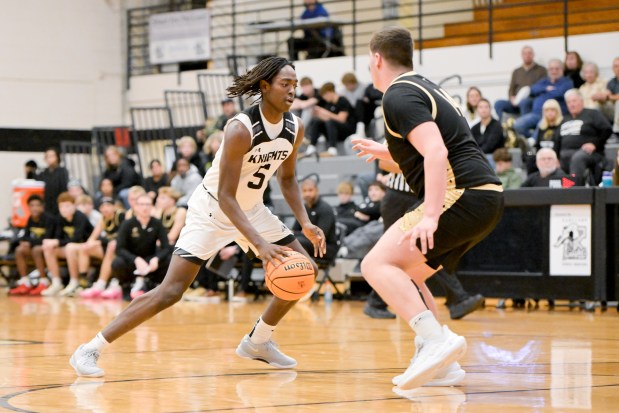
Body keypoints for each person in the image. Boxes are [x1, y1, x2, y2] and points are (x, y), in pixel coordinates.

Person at [70, 56, 326, 377]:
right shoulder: (240, 129)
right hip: (212, 210)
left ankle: (258, 341)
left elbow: (287, 179)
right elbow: (226, 197)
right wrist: (259, 244)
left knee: (305, 271)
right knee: (170, 292)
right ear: (264, 87)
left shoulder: (294, 127)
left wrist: (305, 222)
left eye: (295, 85)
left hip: (252, 210)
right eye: (284, 85)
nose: (292, 91)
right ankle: (90, 348)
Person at [352, 27, 503, 390]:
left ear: (376, 59)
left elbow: (437, 152)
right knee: (410, 274)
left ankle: (436, 342)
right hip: (485, 196)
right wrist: (386, 151)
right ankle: (442, 365)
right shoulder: (427, 87)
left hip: (462, 194)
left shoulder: (397, 95)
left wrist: (432, 215)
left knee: (374, 264)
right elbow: (429, 148)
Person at [111, 194, 172, 300]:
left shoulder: (157, 223)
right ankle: (126, 288)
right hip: (132, 261)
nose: (145, 207)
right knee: (117, 263)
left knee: (169, 259)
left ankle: (154, 285)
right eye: (142, 204)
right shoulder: (127, 224)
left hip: (150, 261)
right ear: (135, 207)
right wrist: (135, 259)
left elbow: (166, 247)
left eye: (148, 204)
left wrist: (156, 259)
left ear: (152, 207)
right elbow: (119, 249)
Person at [39, 192, 94, 297]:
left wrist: (57, 242)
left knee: (70, 247)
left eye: (67, 206)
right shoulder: (60, 218)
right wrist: (53, 243)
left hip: (85, 247)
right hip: (71, 249)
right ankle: (56, 282)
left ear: (74, 206)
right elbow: (59, 237)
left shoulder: (80, 217)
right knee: (48, 248)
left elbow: (77, 238)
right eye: (61, 206)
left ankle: (74, 281)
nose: (64, 209)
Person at [555, 89, 612, 185]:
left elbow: (607, 130)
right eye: (569, 102)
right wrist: (554, 156)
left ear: (582, 101)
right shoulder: (564, 119)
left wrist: (594, 144)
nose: (571, 104)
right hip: (565, 154)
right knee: (549, 160)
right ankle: (559, 194)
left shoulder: (592, 114)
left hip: (588, 153)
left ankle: (576, 192)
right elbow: (556, 140)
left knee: (578, 158)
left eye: (574, 101)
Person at [78, 197, 126, 299]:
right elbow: (92, 238)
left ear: (114, 207)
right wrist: (90, 243)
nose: (105, 208)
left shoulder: (120, 215)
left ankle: (101, 283)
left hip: (123, 248)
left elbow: (122, 237)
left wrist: (98, 242)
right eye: (103, 206)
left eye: (108, 205)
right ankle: (83, 282)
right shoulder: (102, 219)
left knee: (112, 246)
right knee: (84, 248)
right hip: (110, 246)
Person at [513, 59, 573, 138]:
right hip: (536, 113)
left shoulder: (567, 82)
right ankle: (531, 137)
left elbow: (559, 93)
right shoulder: (544, 81)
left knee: (541, 125)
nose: (554, 71)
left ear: (562, 70)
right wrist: (545, 88)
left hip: (552, 115)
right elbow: (532, 89)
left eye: (557, 69)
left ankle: (533, 142)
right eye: (551, 69)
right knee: (518, 125)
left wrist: (543, 91)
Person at [8, 195, 54, 295]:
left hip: (50, 248)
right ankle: (25, 282)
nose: (35, 208)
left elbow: (47, 238)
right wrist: (28, 242)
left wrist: (30, 242)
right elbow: (25, 237)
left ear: (42, 207)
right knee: (19, 250)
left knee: (36, 249)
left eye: (37, 205)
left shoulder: (49, 219)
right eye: (32, 205)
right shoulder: (30, 219)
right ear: (28, 207)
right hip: (37, 247)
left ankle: (43, 281)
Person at [494, 46, 547, 120]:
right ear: (522, 55)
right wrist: (512, 97)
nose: (527, 55)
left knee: (524, 102)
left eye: (529, 53)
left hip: (531, 101)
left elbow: (542, 87)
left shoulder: (541, 70)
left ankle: (522, 126)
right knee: (498, 104)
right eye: (525, 53)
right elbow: (511, 88)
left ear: (533, 55)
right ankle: (502, 126)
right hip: (516, 101)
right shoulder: (516, 71)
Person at [293, 177, 338, 263]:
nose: (307, 194)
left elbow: (319, 235)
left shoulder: (325, 209)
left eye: (310, 190)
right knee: (289, 241)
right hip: (309, 243)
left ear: (317, 191)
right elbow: (295, 230)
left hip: (326, 248)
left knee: (297, 242)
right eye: (304, 191)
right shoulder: (303, 209)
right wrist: (301, 233)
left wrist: (302, 233)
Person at [304, 82, 356, 157]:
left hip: (347, 130)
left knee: (330, 122)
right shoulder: (329, 104)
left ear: (329, 93)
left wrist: (325, 112)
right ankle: (312, 147)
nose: (324, 98)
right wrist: (317, 114)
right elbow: (327, 120)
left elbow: (342, 119)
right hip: (335, 130)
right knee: (317, 122)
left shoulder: (342, 100)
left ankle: (332, 149)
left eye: (324, 95)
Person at [470, 98, 504, 164]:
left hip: (495, 157)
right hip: (478, 156)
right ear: (477, 110)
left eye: (486, 107)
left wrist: (476, 154)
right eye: (481, 107)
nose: (483, 110)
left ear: (490, 109)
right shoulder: (474, 128)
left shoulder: (496, 126)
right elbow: (471, 144)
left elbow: (490, 146)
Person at [36, 147, 69, 215]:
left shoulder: (62, 171)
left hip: (59, 205)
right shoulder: (43, 173)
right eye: (47, 156)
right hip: (47, 205)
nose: (49, 158)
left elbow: (64, 189)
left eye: (52, 156)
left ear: (57, 157)